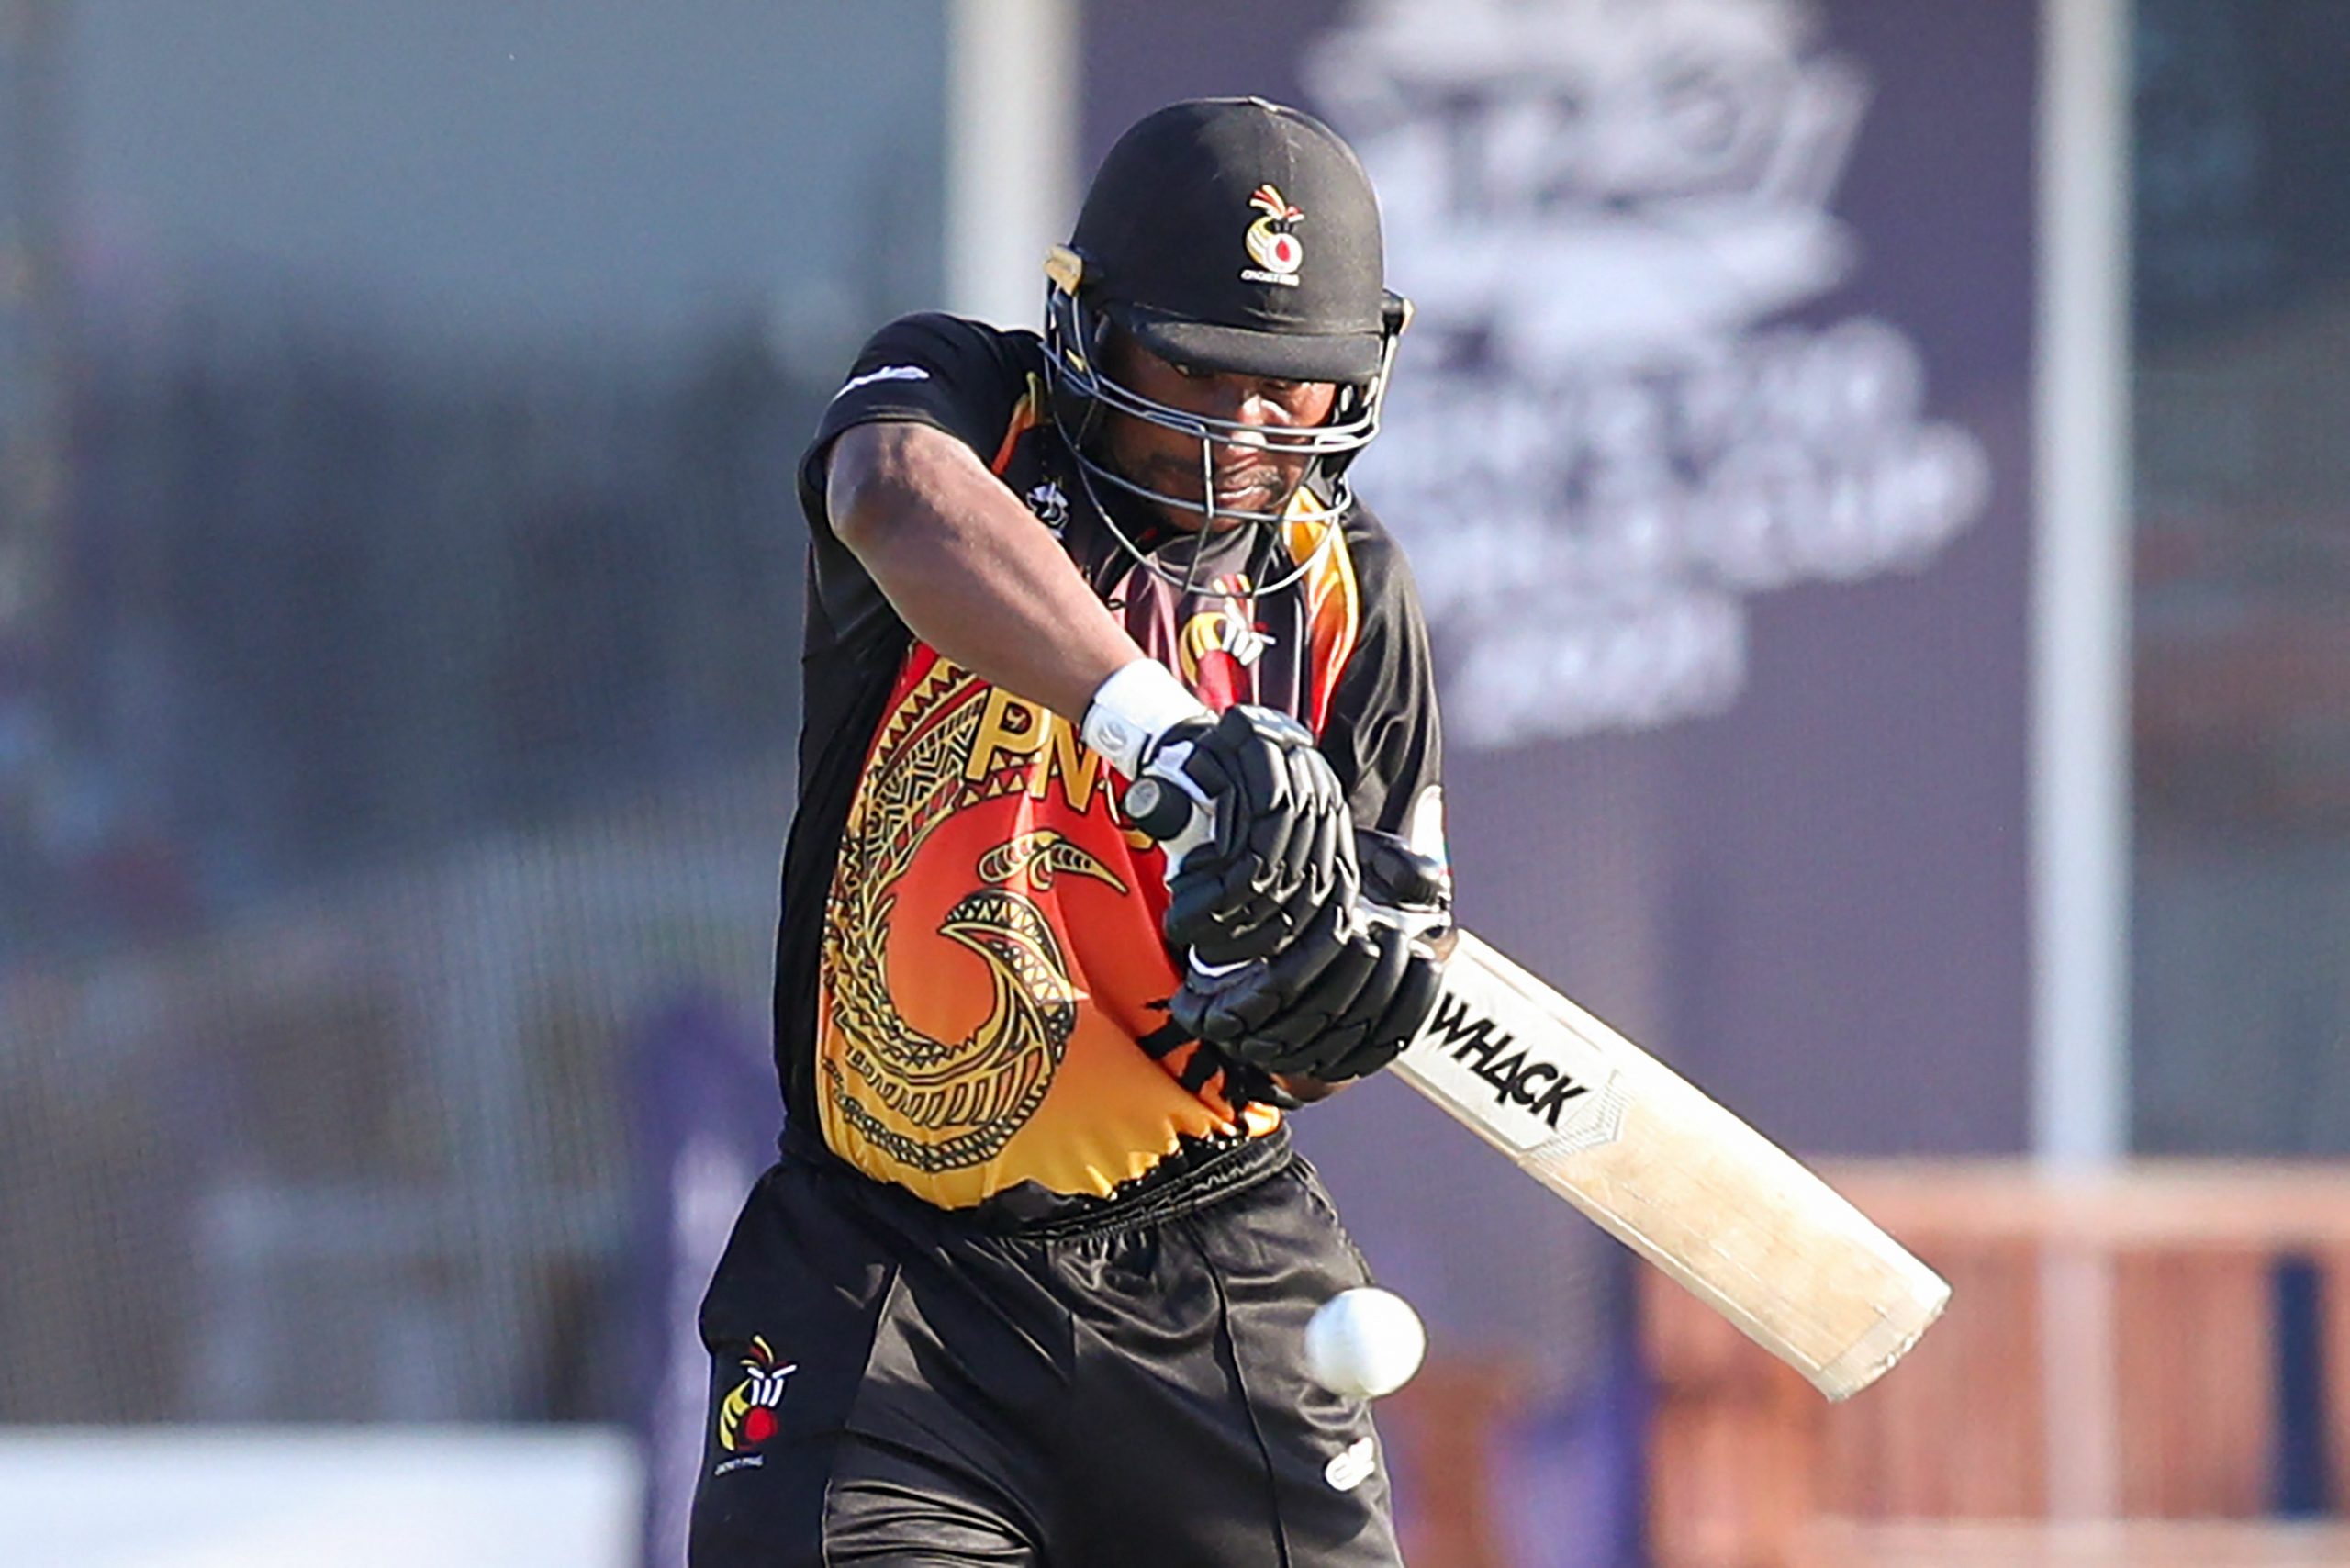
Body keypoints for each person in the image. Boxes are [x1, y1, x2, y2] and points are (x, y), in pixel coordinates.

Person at [688, 97, 1452, 1568]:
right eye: (1197, 368)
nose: (1238, 430)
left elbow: (1379, 976)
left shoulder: (1350, 589)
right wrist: (1163, 735)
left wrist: (1307, 1003)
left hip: (1216, 1277)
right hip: (888, 1278)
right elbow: (891, 496)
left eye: (1283, 385)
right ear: (1087, 325)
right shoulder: (972, 406)